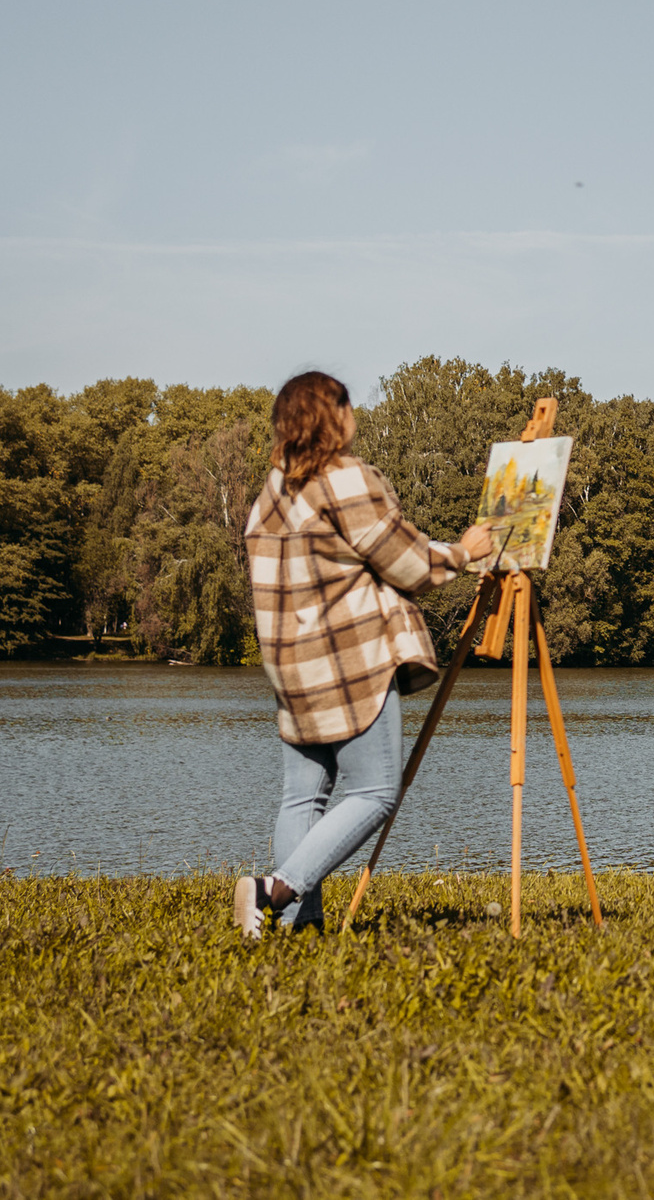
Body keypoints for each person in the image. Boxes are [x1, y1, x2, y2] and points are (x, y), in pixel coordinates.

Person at [233, 370, 493, 936]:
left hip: (290, 670)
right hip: (347, 662)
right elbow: (410, 565)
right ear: (337, 417)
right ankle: (274, 891)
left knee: (302, 796)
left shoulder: (271, 492)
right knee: (376, 790)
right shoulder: (344, 480)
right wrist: (465, 552)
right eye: (350, 408)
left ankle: (297, 927)